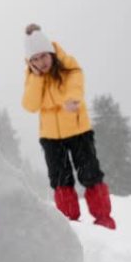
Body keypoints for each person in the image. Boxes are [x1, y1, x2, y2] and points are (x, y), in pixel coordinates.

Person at [21, 24, 116, 230]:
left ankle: (104, 220)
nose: (40, 62)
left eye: (43, 56)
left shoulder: (68, 65)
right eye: (34, 59)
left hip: (78, 131)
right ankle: (70, 225)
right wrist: (37, 78)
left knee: (90, 174)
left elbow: (76, 85)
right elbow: (30, 105)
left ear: (51, 53)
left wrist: (72, 99)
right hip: (50, 137)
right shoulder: (32, 76)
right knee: (60, 180)